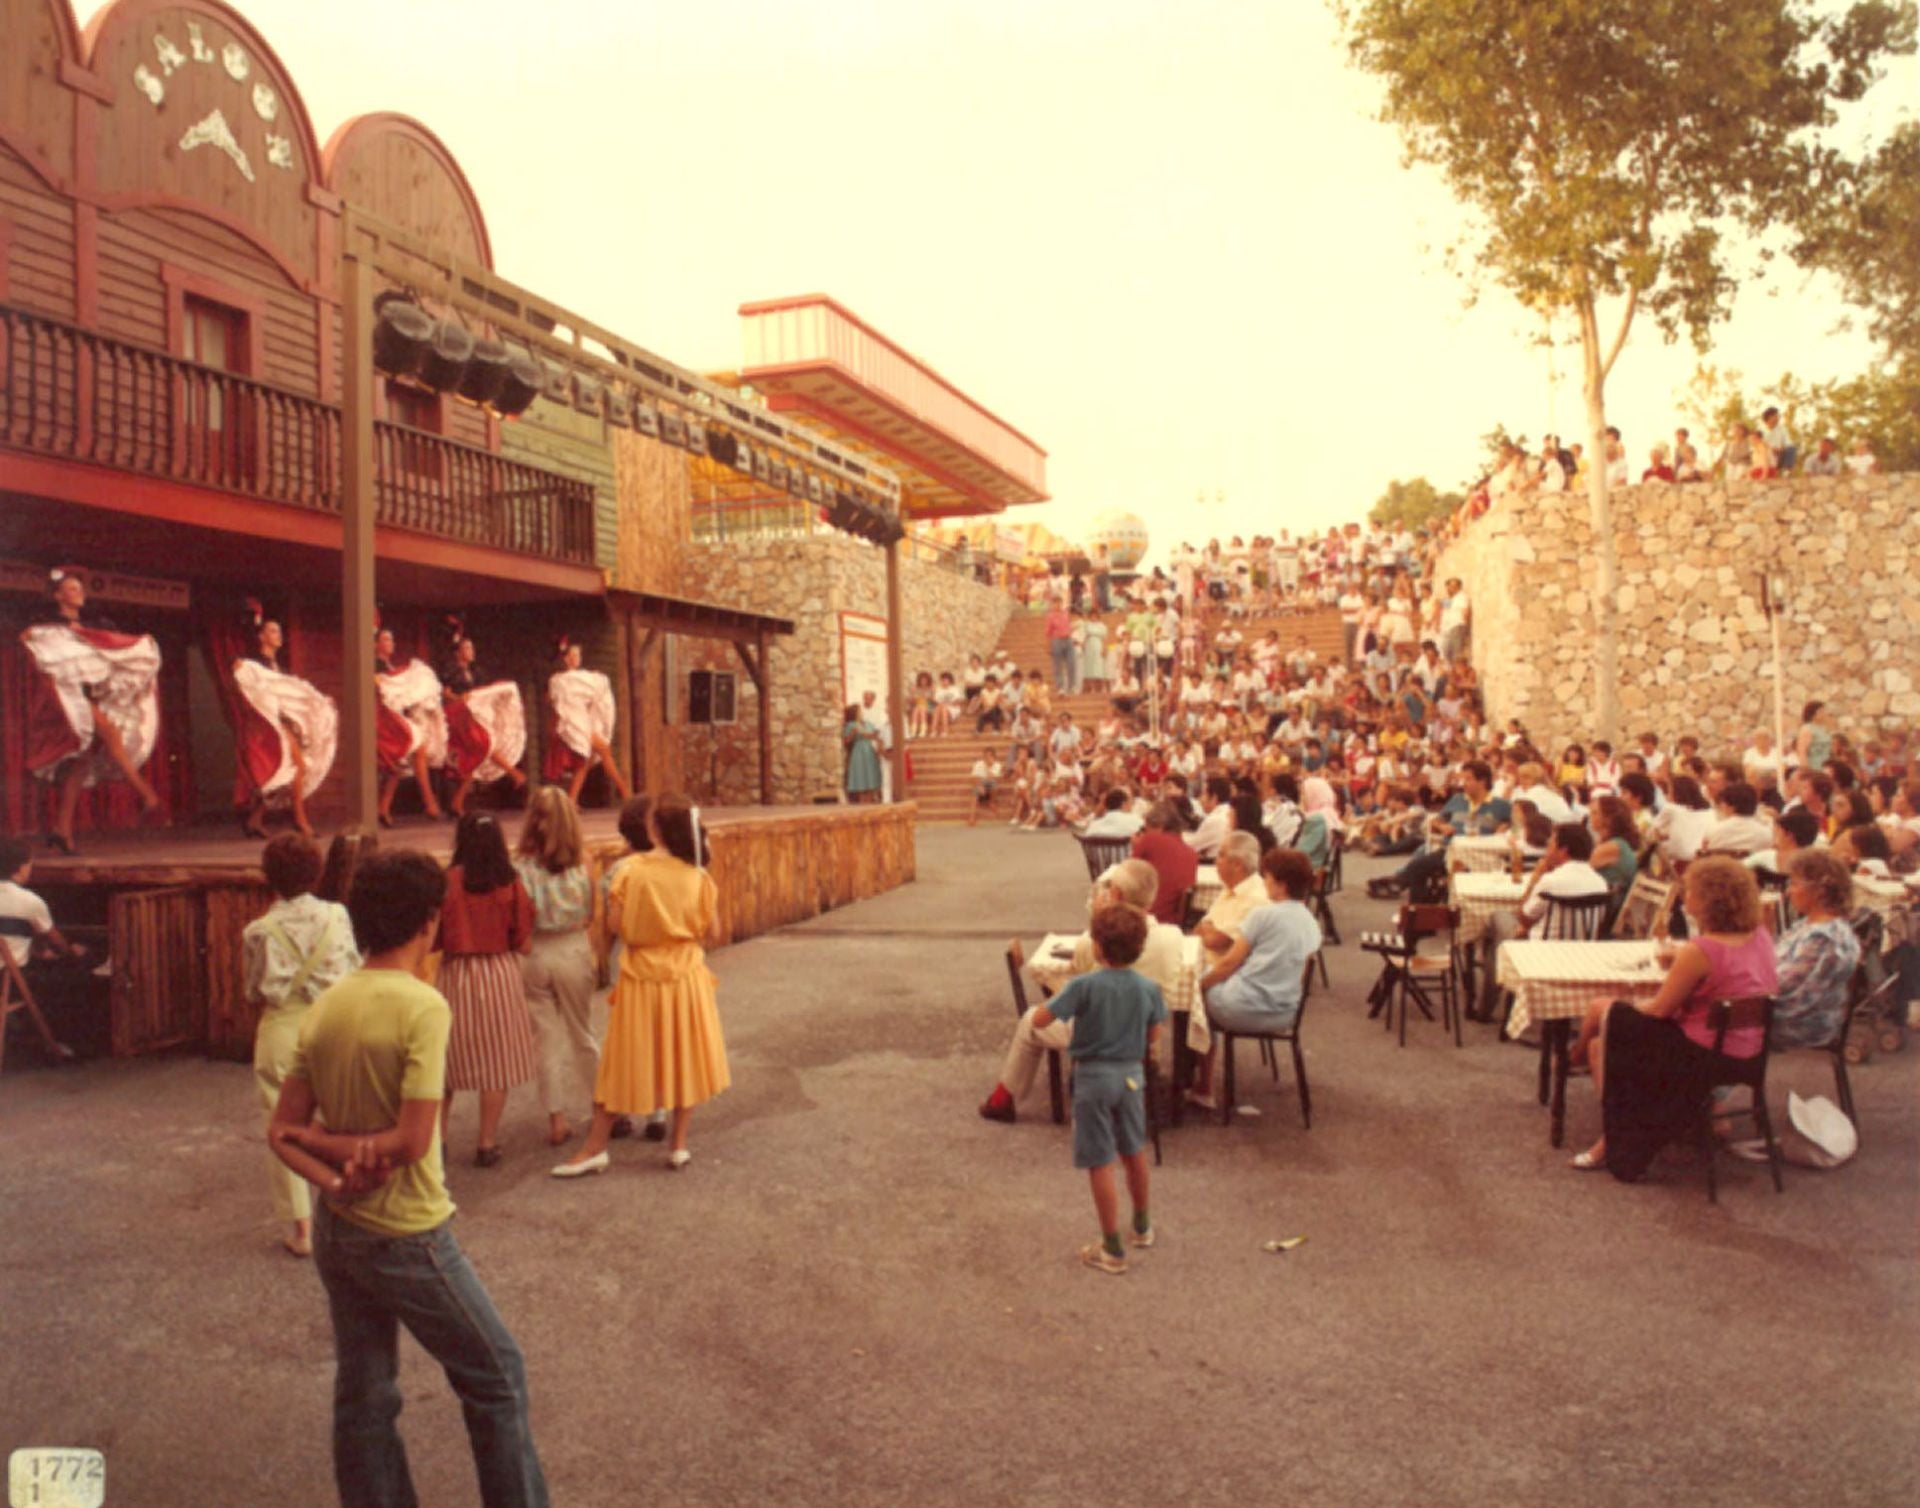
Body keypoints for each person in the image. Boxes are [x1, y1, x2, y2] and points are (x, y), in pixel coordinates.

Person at [267, 849, 551, 1508]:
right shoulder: (423, 1005)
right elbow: (413, 1140)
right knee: (496, 1375)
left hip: (341, 1228)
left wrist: (329, 1172)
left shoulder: (329, 1004)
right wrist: (343, 1151)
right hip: (410, 1232)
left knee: (365, 1392)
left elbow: (284, 1132)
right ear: (428, 923)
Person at [1570, 858, 1778, 1180]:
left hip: (1701, 1055)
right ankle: (1618, 1128)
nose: (1684, 896)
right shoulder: (1760, 936)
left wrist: (1626, 1005)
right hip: (1748, 1052)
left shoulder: (1702, 950)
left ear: (1708, 900)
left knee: (1609, 1018)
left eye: (1690, 891)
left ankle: (1615, 1134)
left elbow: (1660, 1010)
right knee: (1604, 1035)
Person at [555, 795, 728, 1175]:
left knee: (623, 1057)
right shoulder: (699, 876)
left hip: (641, 974)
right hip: (685, 974)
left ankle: (596, 1146)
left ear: (656, 829)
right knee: (685, 1056)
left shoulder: (632, 871)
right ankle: (678, 1144)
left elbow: (616, 924)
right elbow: (712, 931)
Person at [979, 859, 1184, 1123]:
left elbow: (1082, 977)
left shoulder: (1093, 941)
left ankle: (1003, 1098)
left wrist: (1097, 920)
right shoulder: (1173, 937)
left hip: (1097, 1035)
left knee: (1031, 1021)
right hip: (1140, 1038)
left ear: (1116, 895)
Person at [1026, 903, 1165, 1275]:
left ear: (1098, 947)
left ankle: (1112, 1248)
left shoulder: (1083, 985)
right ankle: (1142, 1226)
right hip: (1132, 1076)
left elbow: (1041, 1018)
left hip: (1093, 1078)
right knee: (1134, 1150)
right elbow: (1154, 1034)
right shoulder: (1149, 988)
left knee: (1100, 1160)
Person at [243, 833, 361, 1258]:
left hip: (284, 1026)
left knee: (283, 1127)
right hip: (333, 1022)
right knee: (346, 1116)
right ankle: (357, 1204)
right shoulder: (337, 916)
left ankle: (301, 1228)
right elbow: (353, 966)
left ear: (268, 878)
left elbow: (254, 990)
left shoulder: (258, 931)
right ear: (316, 872)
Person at [19, 567, 162, 853]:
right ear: (58, 595)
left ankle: (62, 831)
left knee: (80, 765)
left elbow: (116, 651)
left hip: (91, 698)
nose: (79, 593)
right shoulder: (47, 626)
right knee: (109, 734)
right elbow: (31, 643)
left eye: (80, 588)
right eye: (72, 589)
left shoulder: (97, 624)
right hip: (67, 703)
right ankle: (146, 794)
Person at [439, 813, 536, 1166]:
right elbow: (523, 942)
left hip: (456, 973)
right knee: (495, 1061)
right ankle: (487, 1142)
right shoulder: (510, 883)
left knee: (445, 1061)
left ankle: (438, 1141)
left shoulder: (447, 882)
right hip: (498, 972)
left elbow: (434, 937)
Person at [1190, 847, 1322, 1107]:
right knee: (1203, 989)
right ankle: (1198, 1083)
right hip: (1284, 1011)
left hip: (1243, 1006)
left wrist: (1197, 986)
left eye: (1267, 878)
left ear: (1281, 884)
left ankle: (1201, 1085)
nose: (1264, 884)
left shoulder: (1263, 915)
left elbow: (1228, 963)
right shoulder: (1311, 923)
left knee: (1195, 997)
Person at [512, 788, 603, 1150]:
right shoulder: (585, 860)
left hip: (535, 951)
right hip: (571, 947)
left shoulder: (520, 866)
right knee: (583, 1033)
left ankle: (557, 1119)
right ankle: (602, 1106)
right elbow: (591, 914)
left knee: (545, 1040)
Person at [231, 602, 337, 841]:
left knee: (286, 771)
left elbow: (295, 696)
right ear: (261, 636)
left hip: (282, 726)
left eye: (279, 631)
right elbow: (247, 686)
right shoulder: (252, 663)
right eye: (272, 631)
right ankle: (299, 820)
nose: (278, 635)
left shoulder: (280, 668)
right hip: (265, 727)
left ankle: (255, 819)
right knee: (296, 767)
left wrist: (320, 702)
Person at [1770, 851, 1862, 1050]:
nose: (1788, 892)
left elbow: (1785, 987)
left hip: (1802, 1024)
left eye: (1794, 884)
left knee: (1703, 1025)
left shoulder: (1824, 937)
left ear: (1820, 890)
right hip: (1793, 1012)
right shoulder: (1808, 925)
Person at [438, 620, 528, 817]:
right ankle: (514, 774)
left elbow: (482, 693)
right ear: (458, 651)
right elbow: (445, 693)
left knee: (484, 746)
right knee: (483, 745)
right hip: (457, 716)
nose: (471, 651)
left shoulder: (476, 672)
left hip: (473, 717)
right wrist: (460, 698)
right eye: (467, 647)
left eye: (472, 647)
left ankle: (458, 801)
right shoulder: (451, 669)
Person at [543, 636, 632, 804]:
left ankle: (572, 799)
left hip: (581, 721)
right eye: (573, 655)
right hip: (574, 724)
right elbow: (554, 701)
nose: (577, 659)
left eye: (578, 655)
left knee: (583, 764)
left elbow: (595, 689)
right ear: (566, 658)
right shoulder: (561, 680)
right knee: (604, 751)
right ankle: (625, 792)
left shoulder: (577, 678)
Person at [374, 627, 447, 826]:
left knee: (398, 766)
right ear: (375, 644)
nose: (391, 643)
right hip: (380, 718)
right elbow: (379, 688)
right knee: (418, 746)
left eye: (392, 640)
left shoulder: (390, 666)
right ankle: (429, 802)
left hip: (392, 717)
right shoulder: (374, 664)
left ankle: (383, 808)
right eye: (386, 639)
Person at [1129, 801, 1199, 924]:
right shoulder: (1192, 854)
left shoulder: (1150, 840)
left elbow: (1128, 873)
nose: (1143, 832)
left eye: (1145, 829)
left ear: (1159, 827)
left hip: (1145, 917)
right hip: (1173, 921)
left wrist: (1137, 846)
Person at [843, 701, 884, 803]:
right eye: (860, 711)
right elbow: (846, 741)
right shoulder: (850, 725)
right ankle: (862, 802)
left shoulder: (868, 723)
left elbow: (875, 735)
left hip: (869, 750)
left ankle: (870, 800)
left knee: (870, 774)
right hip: (858, 751)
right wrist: (852, 734)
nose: (862, 713)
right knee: (861, 775)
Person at [967, 747, 1002, 827]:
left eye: (990, 756)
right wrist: (979, 786)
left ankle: (991, 801)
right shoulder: (978, 764)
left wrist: (989, 766)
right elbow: (972, 778)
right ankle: (972, 817)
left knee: (994, 784)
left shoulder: (997, 765)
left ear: (994, 757)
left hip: (990, 785)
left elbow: (994, 778)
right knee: (974, 795)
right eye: (986, 756)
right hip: (979, 783)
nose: (987, 758)